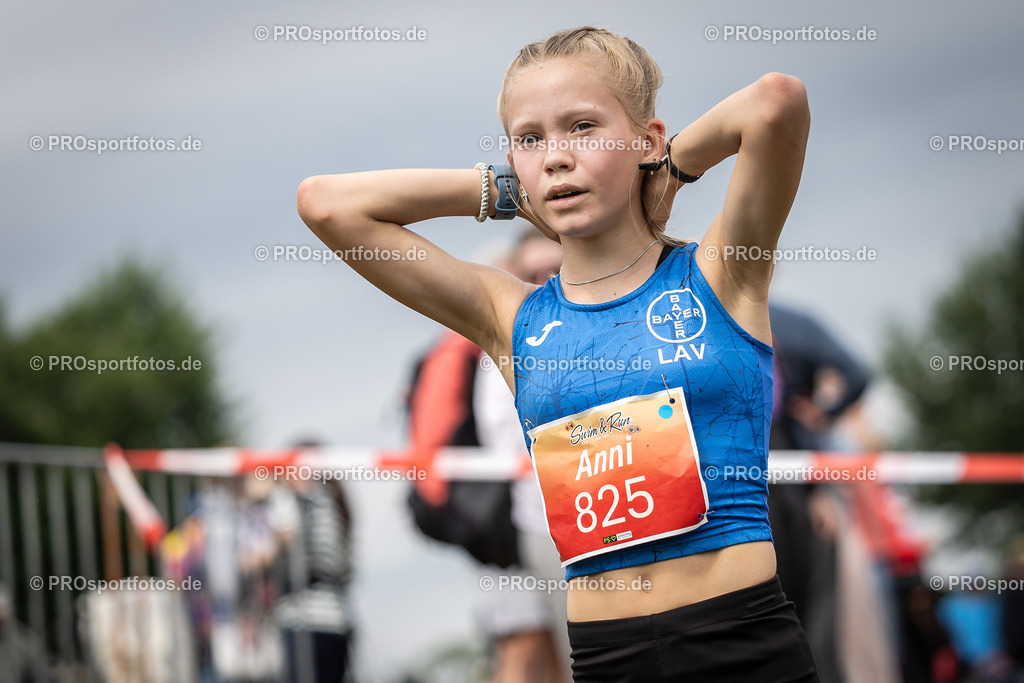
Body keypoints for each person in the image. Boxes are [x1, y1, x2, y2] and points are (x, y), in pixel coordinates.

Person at [298, 25, 813, 681]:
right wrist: (506, 191)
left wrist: (670, 169)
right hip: (606, 657)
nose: (557, 157)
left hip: (743, 642)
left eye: (583, 128)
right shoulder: (510, 317)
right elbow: (326, 206)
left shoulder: (719, 275)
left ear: (646, 138)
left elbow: (775, 102)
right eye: (530, 139)